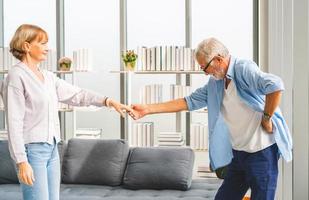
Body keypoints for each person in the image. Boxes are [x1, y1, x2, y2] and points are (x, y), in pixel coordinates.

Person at [129, 37, 292, 200]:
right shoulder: (216, 83)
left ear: (219, 59)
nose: (205, 72)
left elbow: (275, 85)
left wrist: (266, 118)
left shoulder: (243, 68)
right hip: (239, 154)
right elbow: (189, 101)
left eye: (205, 67)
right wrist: (148, 109)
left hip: (261, 152)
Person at [0, 24, 133, 200]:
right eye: (42, 43)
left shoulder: (47, 76)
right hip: (32, 151)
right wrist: (21, 161)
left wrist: (108, 101)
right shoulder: (16, 76)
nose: (47, 48)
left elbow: (77, 94)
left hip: (52, 148)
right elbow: (14, 122)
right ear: (26, 46)